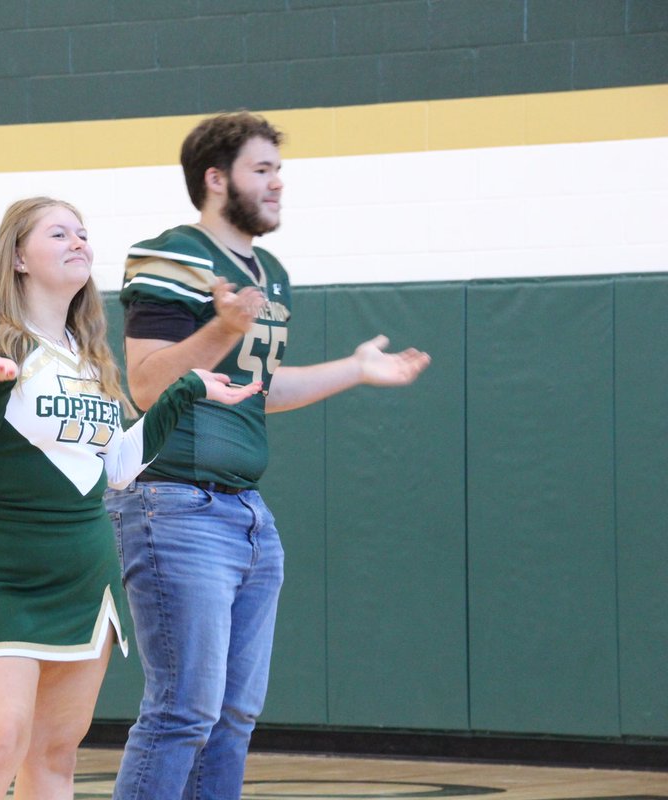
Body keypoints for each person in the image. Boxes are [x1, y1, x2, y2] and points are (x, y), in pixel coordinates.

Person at [105, 112, 432, 799]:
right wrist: (221, 328)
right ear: (216, 179)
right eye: (262, 170)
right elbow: (146, 382)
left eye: (278, 170)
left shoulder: (269, 271)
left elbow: (255, 390)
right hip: (173, 504)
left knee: (232, 715)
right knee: (182, 712)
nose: (278, 183)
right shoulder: (172, 255)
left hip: (247, 515)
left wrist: (355, 369)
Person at [0, 196, 264, 800]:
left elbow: (120, 469)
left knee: (55, 755)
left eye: (82, 233)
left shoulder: (88, 355)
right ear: (18, 256)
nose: (79, 242)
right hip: (1, 575)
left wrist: (184, 392)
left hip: (85, 578)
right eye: (59, 233)